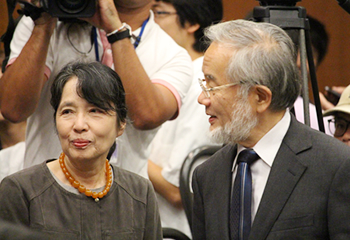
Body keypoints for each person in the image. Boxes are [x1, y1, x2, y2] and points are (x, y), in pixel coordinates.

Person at [192, 19, 350, 239]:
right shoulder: (207, 175)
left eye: (212, 87)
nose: (202, 99)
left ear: (260, 97)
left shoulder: (336, 167)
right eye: (203, 86)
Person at [0, 0, 192, 178]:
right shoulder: (46, 23)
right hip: (45, 194)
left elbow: (146, 116)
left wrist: (115, 31)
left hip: (122, 200)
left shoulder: (172, 55)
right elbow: (13, 109)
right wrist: (43, 27)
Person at [0, 61, 162, 239]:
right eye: (68, 111)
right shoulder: (20, 190)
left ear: (121, 124)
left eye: (95, 111)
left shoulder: (140, 193)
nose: (79, 125)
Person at [148, 0, 222, 237]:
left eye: (158, 12)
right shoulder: (171, 72)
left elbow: (178, 189)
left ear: (191, 23)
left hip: (176, 230)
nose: (151, 20)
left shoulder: (201, 80)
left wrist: (119, 150)